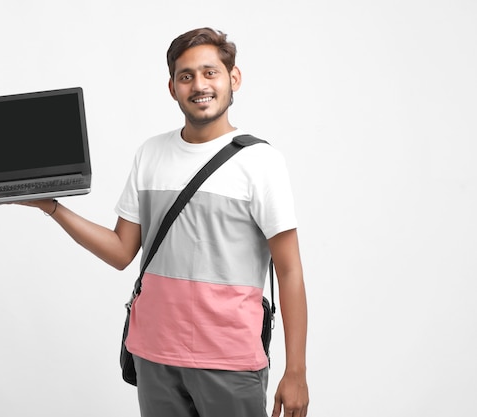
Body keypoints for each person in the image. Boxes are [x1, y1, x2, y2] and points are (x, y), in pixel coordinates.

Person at [17, 27, 309, 417]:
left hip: (229, 359)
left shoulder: (261, 162)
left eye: (210, 72)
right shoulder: (150, 154)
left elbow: (289, 271)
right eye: (186, 76)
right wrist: (52, 208)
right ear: (172, 87)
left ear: (233, 78)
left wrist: (296, 371)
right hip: (153, 355)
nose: (199, 85)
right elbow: (122, 252)